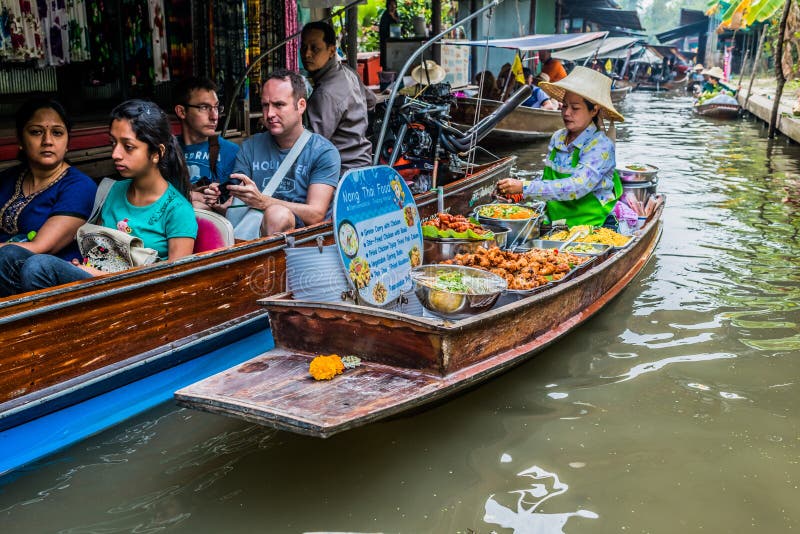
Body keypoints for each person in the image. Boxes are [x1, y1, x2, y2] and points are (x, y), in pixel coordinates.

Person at [0, 100, 198, 297]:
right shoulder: (113, 190)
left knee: (38, 266)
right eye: (114, 143)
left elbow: (175, 282)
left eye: (128, 147)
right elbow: (99, 248)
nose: (115, 154)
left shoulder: (177, 210)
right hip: (98, 283)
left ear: (157, 153)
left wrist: (100, 275)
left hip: (135, 295)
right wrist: (85, 266)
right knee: (12, 256)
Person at [202, 69, 340, 237]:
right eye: (265, 105)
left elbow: (316, 214)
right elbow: (236, 200)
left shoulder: (323, 152)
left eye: (279, 105)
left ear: (301, 105)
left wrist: (263, 202)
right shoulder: (250, 147)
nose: (270, 114)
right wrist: (219, 201)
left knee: (277, 214)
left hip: (303, 241)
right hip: (253, 231)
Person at [496, 66, 625, 227]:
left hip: (591, 225)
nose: (566, 113)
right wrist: (518, 194)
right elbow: (547, 180)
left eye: (575, 108)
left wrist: (524, 187)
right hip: (556, 221)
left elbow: (576, 186)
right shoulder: (558, 137)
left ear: (594, 110)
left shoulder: (601, 146)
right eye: (564, 106)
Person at [0, 98, 96, 264]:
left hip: (41, 278)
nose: (47, 141)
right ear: (20, 140)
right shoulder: (7, 178)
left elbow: (41, 247)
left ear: (67, 142)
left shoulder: (79, 187)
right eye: (36, 132)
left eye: (57, 133)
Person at [300, 21, 376, 173]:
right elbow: (371, 100)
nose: (307, 54)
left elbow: (312, 144)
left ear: (332, 50)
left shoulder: (325, 93)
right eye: (304, 47)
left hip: (341, 171)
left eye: (315, 48)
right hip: (364, 163)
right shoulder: (348, 72)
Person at [173, 77, 239, 210]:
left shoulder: (231, 152)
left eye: (216, 107)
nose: (214, 116)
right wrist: (191, 196)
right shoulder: (166, 152)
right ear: (181, 111)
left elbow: (238, 202)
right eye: (204, 107)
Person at [378, 0, 400, 70]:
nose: (393, 7)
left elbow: (398, 23)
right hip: (386, 41)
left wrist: (394, 17)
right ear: (388, 6)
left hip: (395, 40)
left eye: (394, 5)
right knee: (386, 60)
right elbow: (383, 29)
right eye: (391, 5)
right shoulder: (385, 15)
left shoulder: (396, 14)